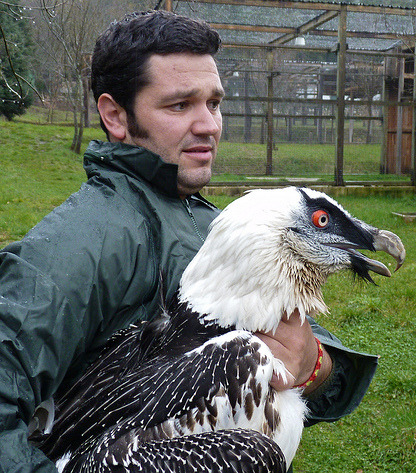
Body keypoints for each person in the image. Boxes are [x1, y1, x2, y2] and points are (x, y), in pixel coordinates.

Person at [0, 10, 378, 471]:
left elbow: (299, 359)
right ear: (115, 115)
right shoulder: (76, 247)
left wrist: (313, 363)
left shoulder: (214, 223)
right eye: (180, 106)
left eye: (214, 103)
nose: (209, 126)